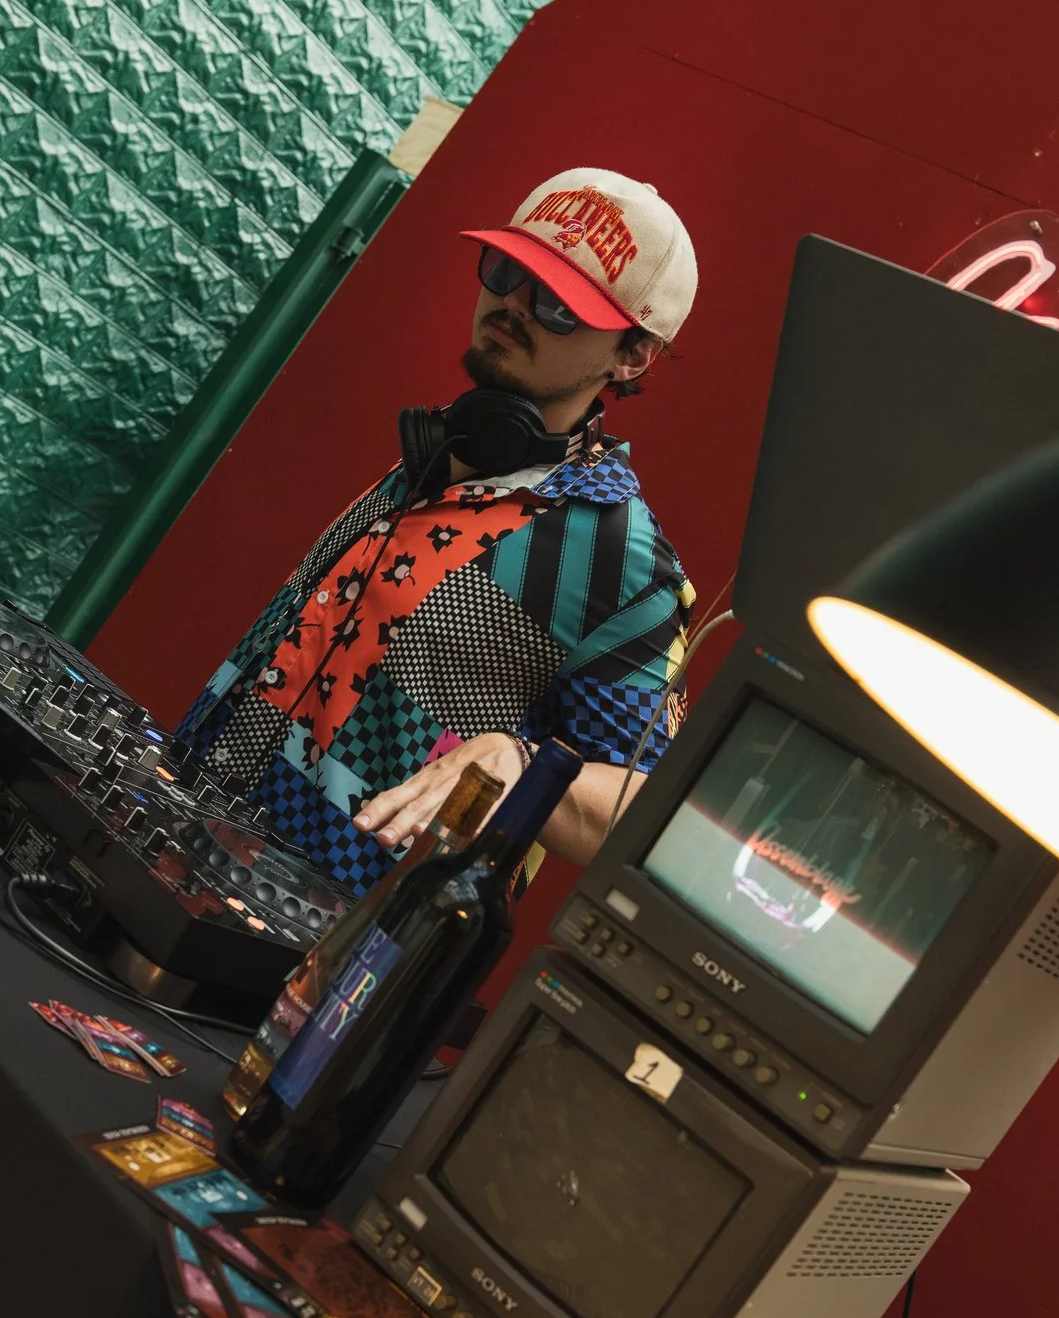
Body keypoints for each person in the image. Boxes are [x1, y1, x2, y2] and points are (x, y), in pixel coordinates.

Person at [176, 168, 700, 897]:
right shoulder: (447, 449)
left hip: (319, 948)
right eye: (508, 271)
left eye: (558, 305)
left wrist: (523, 761)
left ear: (633, 354)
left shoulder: (624, 562)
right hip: (181, 832)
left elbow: (650, 807)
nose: (514, 306)